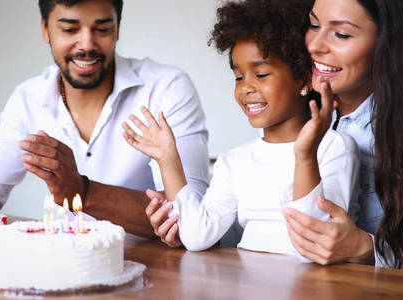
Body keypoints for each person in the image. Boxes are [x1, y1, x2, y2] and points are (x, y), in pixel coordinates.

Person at [0, 0, 210, 238]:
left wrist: (83, 190)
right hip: (63, 275)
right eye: (69, 29)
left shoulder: (166, 89)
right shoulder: (27, 99)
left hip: (161, 277)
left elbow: (189, 213)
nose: (87, 44)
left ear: (118, 28)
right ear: (45, 29)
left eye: (102, 29)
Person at [123, 0, 359, 258]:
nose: (245, 88)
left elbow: (314, 242)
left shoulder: (335, 147)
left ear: (303, 78)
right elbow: (197, 236)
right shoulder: (234, 161)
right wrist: (168, 160)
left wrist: (305, 155)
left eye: (261, 75)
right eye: (238, 76)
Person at [282, 0, 403, 273]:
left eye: (341, 34)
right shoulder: (300, 109)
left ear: (388, 44)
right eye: (314, 25)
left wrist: (364, 249)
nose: (315, 44)